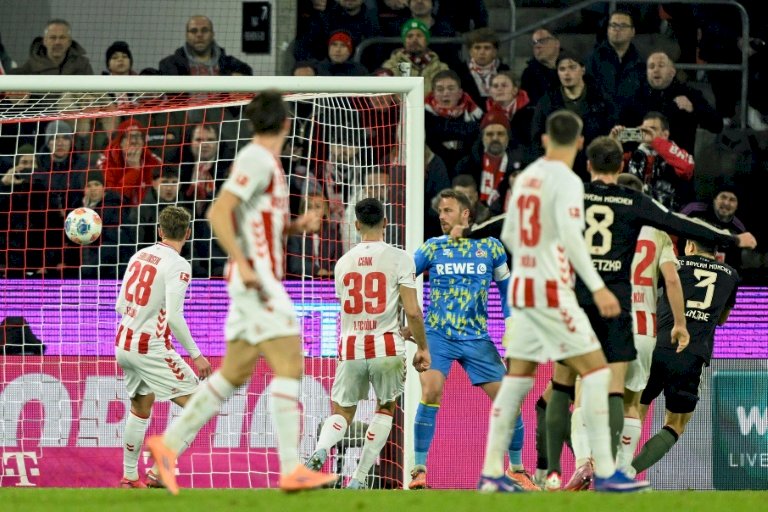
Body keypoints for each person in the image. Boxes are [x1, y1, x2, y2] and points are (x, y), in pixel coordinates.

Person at [147, 90, 338, 494]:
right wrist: (246, 263)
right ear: (286, 124)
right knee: (290, 363)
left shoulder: (268, 164)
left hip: (254, 278)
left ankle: (167, 446)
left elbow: (260, 225)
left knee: (232, 375)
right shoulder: (256, 159)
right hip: (257, 279)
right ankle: (292, 468)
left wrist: (297, 226)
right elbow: (218, 212)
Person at [542, 136, 755, 490]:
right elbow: (673, 278)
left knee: (580, 393)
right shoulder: (659, 235)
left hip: (594, 320)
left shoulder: (584, 215)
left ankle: (581, 463)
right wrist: (682, 323)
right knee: (633, 405)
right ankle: (620, 473)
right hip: (645, 331)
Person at [477, 109, 649, 493]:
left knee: (517, 382)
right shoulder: (569, 181)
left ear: (544, 141)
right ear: (580, 143)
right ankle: (607, 473)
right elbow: (572, 239)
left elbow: (509, 234)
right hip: (552, 291)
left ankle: (490, 473)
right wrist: (597, 287)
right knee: (600, 373)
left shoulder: (526, 178)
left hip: (522, 290)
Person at [409, 188, 538, 491]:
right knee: (431, 389)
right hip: (438, 335)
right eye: (440, 212)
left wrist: (511, 324)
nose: (441, 217)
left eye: (448, 210)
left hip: (477, 338)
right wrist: (410, 323)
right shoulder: (432, 248)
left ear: (465, 214)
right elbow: (403, 278)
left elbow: (506, 290)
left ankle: (517, 469)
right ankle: (419, 470)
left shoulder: (491, 247)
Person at [305, 197, 430, 489]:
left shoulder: (343, 263)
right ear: (386, 222)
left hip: (351, 347)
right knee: (385, 409)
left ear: (357, 224)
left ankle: (321, 449)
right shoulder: (400, 258)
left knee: (342, 413)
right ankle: (359, 479)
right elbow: (413, 311)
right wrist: (422, 347)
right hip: (386, 346)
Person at [115, 206, 212, 488]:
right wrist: (196, 355)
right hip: (150, 347)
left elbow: (121, 305)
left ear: (160, 230)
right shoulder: (178, 265)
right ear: (188, 233)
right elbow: (173, 316)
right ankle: (160, 470)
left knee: (140, 407)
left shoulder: (139, 255)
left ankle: (130, 477)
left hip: (123, 342)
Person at [629, 237, 740, 476]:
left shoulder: (675, 264)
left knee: (634, 412)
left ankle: (612, 470)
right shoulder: (731, 274)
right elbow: (722, 320)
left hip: (656, 346)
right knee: (675, 425)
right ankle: (630, 472)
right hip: (691, 355)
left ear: (690, 245)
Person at [612, 111, 695, 211]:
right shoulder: (631, 156)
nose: (647, 132)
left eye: (652, 129)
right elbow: (604, 171)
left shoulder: (677, 155)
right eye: (644, 129)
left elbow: (687, 169)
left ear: (665, 134)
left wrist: (655, 141)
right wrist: (612, 143)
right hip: (633, 212)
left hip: (666, 215)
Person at [584, 10, 646, 118]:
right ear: (608, 30)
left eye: (623, 26)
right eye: (613, 25)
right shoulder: (593, 58)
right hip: (599, 120)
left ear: (632, 32)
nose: (617, 29)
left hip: (631, 121)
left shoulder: (640, 62)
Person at [159, 15, 252, 76]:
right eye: (193, 31)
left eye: (204, 30)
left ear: (212, 34)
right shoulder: (169, 65)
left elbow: (248, 74)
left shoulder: (232, 64)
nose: (199, 35)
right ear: (186, 35)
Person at [380, 19, 449, 96]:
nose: (414, 39)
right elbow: (387, 96)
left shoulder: (441, 68)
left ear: (426, 40)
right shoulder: (390, 66)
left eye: (419, 36)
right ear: (404, 41)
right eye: (410, 36)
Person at [11, 19, 93, 75]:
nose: (57, 42)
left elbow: (92, 93)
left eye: (62, 37)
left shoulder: (83, 65)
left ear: (69, 42)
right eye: (53, 37)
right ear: (45, 41)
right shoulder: (30, 67)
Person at [520, 28, 562, 106]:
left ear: (556, 43)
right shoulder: (529, 74)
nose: (537, 46)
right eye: (534, 43)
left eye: (542, 41)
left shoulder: (570, 66)